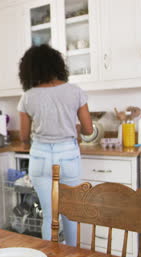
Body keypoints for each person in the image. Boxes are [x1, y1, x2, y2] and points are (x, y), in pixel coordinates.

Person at [17, 44, 93, 246]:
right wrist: (74, 130)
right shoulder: (75, 92)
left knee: (49, 217)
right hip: (68, 154)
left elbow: (24, 136)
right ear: (57, 65)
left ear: (30, 69)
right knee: (70, 214)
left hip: (40, 157)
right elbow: (88, 129)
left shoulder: (27, 96)